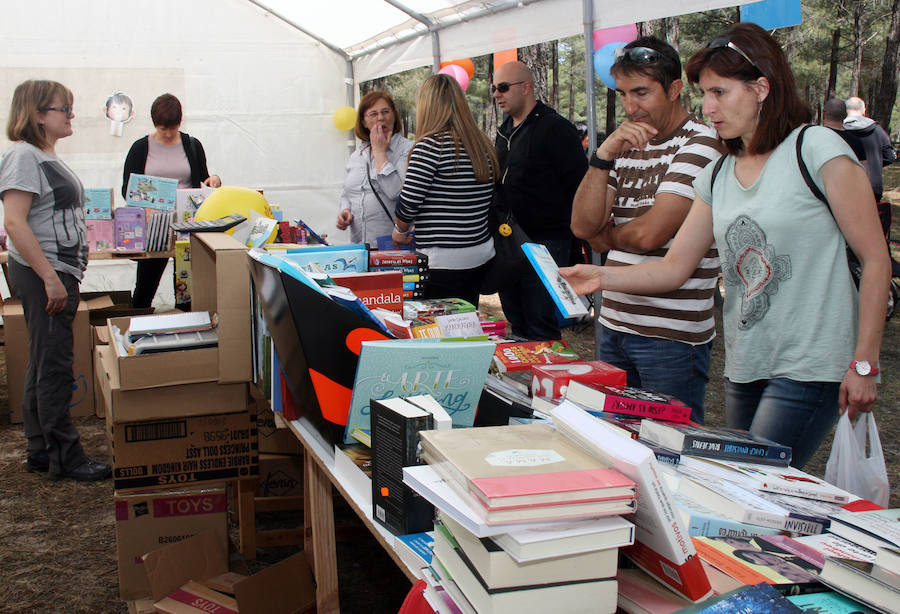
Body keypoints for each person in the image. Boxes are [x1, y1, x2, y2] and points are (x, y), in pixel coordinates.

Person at [561, 22, 891, 469]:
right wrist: (600, 276)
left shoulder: (816, 148)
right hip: (746, 361)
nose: (709, 107)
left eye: (720, 92)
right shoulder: (719, 171)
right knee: (734, 486)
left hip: (810, 361)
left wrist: (864, 363)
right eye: (705, 94)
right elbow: (674, 267)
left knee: (747, 479)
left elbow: (875, 259)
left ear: (761, 88)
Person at [569, 37, 722, 423]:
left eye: (641, 92)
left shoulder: (702, 143)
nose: (630, 106)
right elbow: (582, 225)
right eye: (623, 94)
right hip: (614, 321)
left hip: (670, 334)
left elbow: (650, 234)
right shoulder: (630, 143)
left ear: (674, 90)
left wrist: (608, 237)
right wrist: (603, 156)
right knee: (616, 438)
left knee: (668, 446)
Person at [0, 79, 111, 481]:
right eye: (64, 109)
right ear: (39, 115)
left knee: (45, 359)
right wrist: (50, 277)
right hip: (44, 272)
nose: (71, 115)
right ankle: (67, 455)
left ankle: (41, 450)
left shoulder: (42, 156)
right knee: (56, 364)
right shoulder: (24, 157)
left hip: (52, 270)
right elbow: (14, 221)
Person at [493, 61, 587, 340]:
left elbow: (581, 186)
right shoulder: (504, 130)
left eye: (503, 87)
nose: (497, 94)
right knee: (518, 323)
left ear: (526, 88)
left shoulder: (555, 128)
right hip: (508, 243)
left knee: (541, 324)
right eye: (494, 89)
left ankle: (547, 382)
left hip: (546, 243)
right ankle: (529, 383)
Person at [392, 74, 498, 307]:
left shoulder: (430, 146)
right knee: (466, 321)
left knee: (439, 330)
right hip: (479, 254)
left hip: (442, 261)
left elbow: (408, 204)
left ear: (427, 106)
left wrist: (399, 230)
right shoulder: (482, 145)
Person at [122, 93, 222, 308]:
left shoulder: (192, 145)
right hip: (154, 230)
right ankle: (136, 332)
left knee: (187, 291)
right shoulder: (141, 148)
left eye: (172, 128)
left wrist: (213, 180)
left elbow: (202, 181)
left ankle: (189, 332)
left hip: (187, 229)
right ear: (154, 124)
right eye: (162, 128)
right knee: (145, 289)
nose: (168, 134)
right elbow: (127, 189)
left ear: (180, 122)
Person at [336, 91, 413, 245]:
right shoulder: (357, 156)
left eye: (386, 112)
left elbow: (396, 192)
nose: (380, 118)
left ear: (394, 116)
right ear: (364, 122)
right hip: (360, 247)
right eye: (373, 114)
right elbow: (348, 193)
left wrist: (380, 152)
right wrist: (345, 211)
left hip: (394, 248)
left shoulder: (408, 149)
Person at [843, 96, 896, 202]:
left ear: (845, 110)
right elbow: (889, 157)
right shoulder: (877, 130)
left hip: (846, 185)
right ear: (864, 110)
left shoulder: (841, 130)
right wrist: (874, 163)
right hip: (872, 185)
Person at [823, 98, 868, 175]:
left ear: (823, 114)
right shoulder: (856, 141)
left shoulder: (814, 138)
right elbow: (864, 170)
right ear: (845, 115)